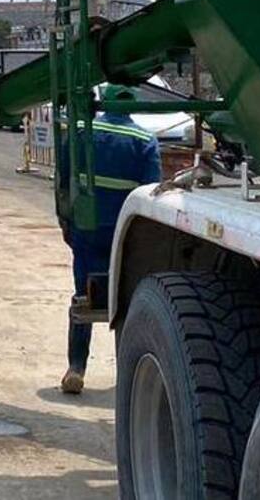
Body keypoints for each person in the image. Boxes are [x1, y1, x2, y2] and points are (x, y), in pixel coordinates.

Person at [58, 83, 161, 394]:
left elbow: (64, 180)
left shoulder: (79, 133)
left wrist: (66, 221)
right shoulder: (144, 140)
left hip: (86, 227)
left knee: (84, 295)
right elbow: (151, 193)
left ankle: (76, 369)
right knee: (126, 301)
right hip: (125, 233)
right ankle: (128, 377)